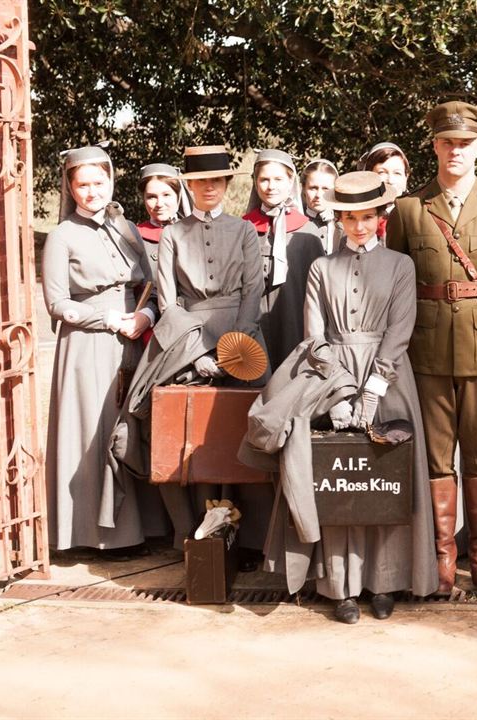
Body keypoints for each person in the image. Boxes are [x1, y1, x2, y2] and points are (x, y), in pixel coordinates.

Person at [258, 171, 438, 624]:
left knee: (383, 475)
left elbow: (400, 330)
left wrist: (374, 390)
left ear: (381, 218)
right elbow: (314, 336)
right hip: (330, 376)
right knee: (339, 475)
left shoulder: (400, 265)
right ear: (338, 219)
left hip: (389, 378)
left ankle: (385, 581)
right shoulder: (322, 267)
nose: (358, 226)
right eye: (349, 218)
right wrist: (338, 394)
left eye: (367, 217)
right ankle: (341, 586)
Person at [385, 101, 477, 595]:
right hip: (427, 353)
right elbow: (400, 280)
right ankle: (443, 558)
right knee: (435, 459)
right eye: (447, 142)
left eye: (465, 143)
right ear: (434, 147)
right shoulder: (408, 209)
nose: (455, 151)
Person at [152, 145, 268, 559]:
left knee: (251, 425)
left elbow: (253, 291)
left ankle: (251, 540)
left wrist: (234, 350)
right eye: (201, 182)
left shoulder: (244, 231)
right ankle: (196, 537)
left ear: (225, 185)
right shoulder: (173, 234)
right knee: (186, 427)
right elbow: (168, 301)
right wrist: (197, 352)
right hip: (189, 341)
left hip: (242, 338)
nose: (209, 189)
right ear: (190, 186)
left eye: (216, 181)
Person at [43, 144, 160, 555]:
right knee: (95, 431)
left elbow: (151, 284)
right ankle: (97, 535)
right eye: (83, 185)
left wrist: (144, 317)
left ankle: (144, 528)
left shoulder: (126, 228)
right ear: (71, 189)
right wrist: (107, 320)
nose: (93, 192)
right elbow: (57, 304)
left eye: (99, 182)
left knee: (132, 428)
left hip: (133, 338)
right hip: (88, 345)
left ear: (111, 181)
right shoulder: (62, 236)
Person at [244, 149, 325, 369]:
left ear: (291, 181)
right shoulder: (242, 229)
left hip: (294, 325)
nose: (271, 187)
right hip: (252, 325)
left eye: (278, 179)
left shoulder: (308, 232)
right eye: (264, 180)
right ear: (255, 182)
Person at [135, 163, 190, 280]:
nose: (159, 204)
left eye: (166, 195)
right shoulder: (134, 236)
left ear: (178, 196)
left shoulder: (195, 231)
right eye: (151, 197)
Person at [301, 158, 341, 254]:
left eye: (325, 189)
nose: (318, 195)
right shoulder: (294, 224)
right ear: (304, 189)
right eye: (313, 188)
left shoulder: (344, 226)